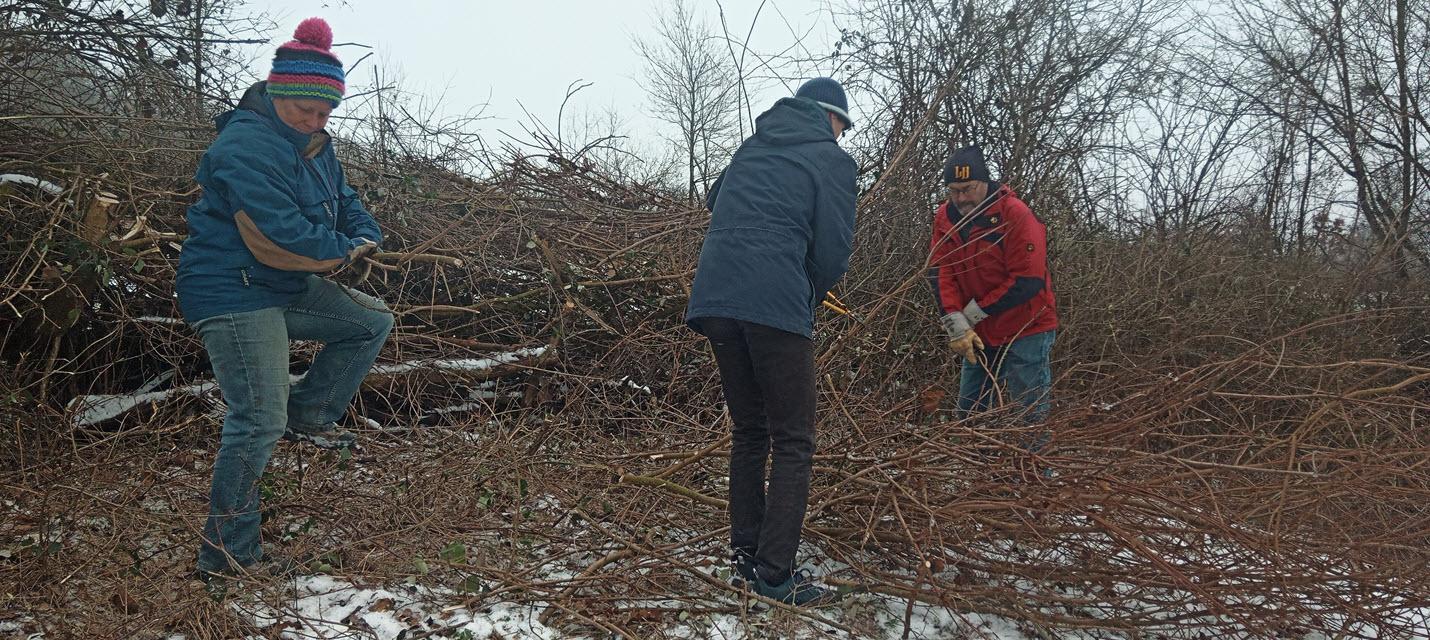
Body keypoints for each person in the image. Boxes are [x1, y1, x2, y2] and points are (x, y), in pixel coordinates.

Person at [175, 17, 393, 580]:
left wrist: (364, 234)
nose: (316, 122)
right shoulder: (244, 145)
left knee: (370, 321)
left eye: (326, 113)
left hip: (280, 285)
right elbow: (279, 236)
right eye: (307, 111)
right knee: (255, 420)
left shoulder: (317, 143)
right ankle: (227, 559)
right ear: (278, 93)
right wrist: (344, 252)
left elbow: (346, 200)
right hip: (232, 289)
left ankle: (310, 412)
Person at [685, 77, 857, 606]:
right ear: (829, 117)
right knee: (793, 439)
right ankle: (776, 576)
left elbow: (716, 200)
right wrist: (806, 293)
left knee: (750, 429)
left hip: (715, 295)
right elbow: (832, 251)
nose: (841, 136)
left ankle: (744, 556)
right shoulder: (831, 160)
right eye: (842, 126)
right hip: (772, 300)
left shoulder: (752, 146)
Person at [927, 145, 1058, 426]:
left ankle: (1031, 470)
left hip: (1027, 326)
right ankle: (978, 468)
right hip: (980, 331)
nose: (961, 198)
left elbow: (1027, 280)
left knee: (1028, 414)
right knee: (969, 412)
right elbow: (941, 270)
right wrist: (954, 321)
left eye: (968, 188)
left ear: (984, 182)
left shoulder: (1015, 214)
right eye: (954, 190)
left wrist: (971, 314)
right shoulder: (944, 218)